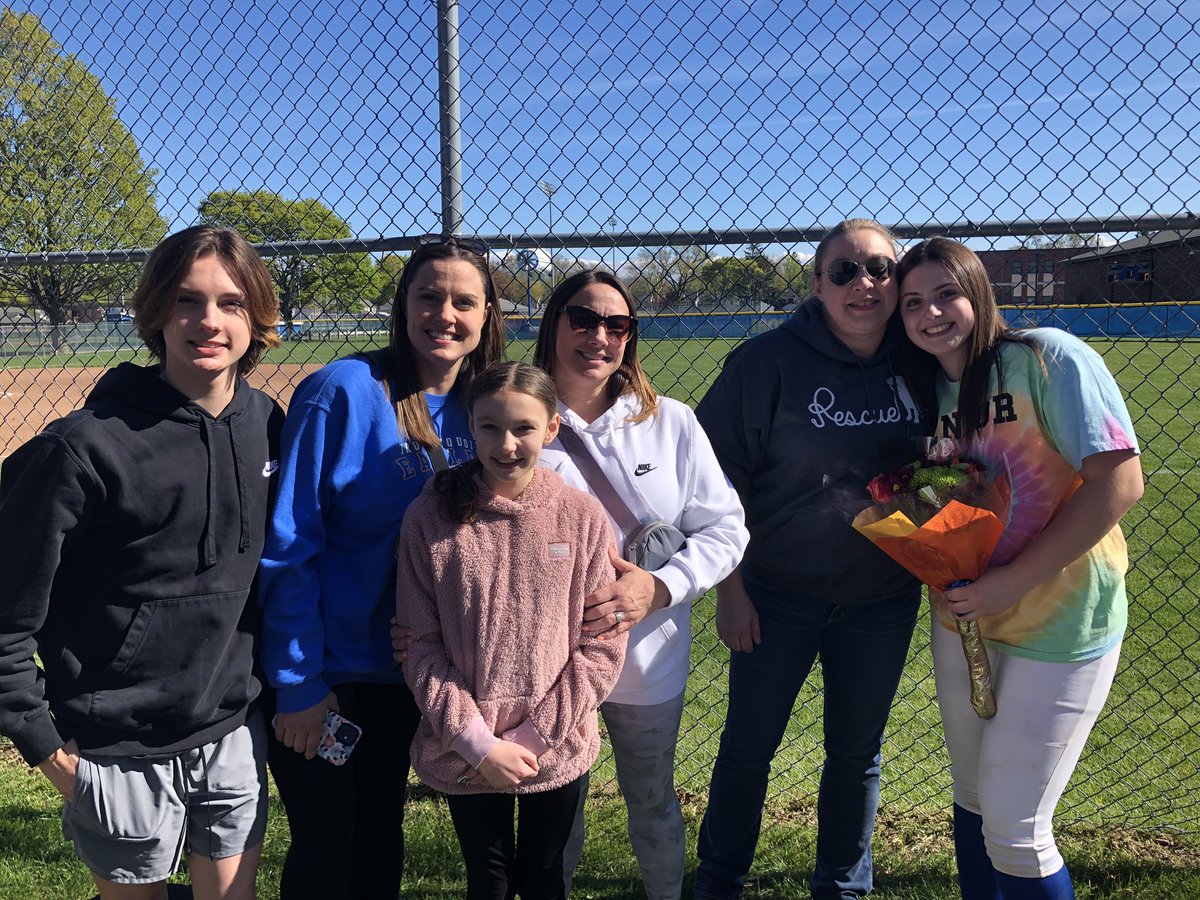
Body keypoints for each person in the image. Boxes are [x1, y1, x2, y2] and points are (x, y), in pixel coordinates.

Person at [0, 226, 284, 900]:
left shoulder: (270, 425)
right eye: (188, 300)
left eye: (231, 302)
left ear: (258, 316)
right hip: (113, 748)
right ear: (155, 311)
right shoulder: (81, 450)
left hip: (231, 730)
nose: (208, 321)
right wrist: (52, 753)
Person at [693, 219, 935, 900]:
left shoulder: (918, 357)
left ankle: (843, 885)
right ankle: (720, 877)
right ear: (817, 284)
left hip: (881, 599)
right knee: (749, 747)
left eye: (882, 270)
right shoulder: (765, 363)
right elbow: (714, 487)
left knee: (856, 755)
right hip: (777, 593)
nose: (866, 285)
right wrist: (731, 592)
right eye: (845, 272)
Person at [259, 235, 505, 899]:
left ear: (487, 316)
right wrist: (298, 682)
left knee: (377, 837)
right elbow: (289, 544)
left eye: (463, 301)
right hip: (332, 675)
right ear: (402, 306)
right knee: (326, 846)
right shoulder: (342, 392)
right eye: (428, 296)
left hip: (416, 674)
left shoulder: (488, 410)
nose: (444, 314)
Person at [896, 236, 1143, 899]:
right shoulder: (926, 386)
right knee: (974, 800)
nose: (931, 314)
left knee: (1015, 826)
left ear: (978, 289)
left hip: (1059, 626)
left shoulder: (1046, 357)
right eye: (913, 302)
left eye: (946, 293)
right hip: (963, 622)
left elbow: (1119, 484)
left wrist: (1007, 581)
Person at [533, 270, 749, 900]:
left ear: (631, 338)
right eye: (582, 319)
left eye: (617, 324)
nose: (599, 336)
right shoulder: (519, 419)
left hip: (646, 661)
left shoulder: (671, 422)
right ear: (552, 325)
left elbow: (726, 530)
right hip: (548, 667)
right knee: (555, 812)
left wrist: (660, 587)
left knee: (652, 799)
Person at [398, 361, 627, 900]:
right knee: (491, 881)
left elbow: (600, 645)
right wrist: (479, 744)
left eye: (523, 428)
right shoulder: (430, 517)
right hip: (465, 744)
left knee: (545, 878)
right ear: (469, 426)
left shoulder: (581, 516)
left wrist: (533, 737)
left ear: (550, 429)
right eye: (490, 427)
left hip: (557, 739)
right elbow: (420, 645)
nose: (506, 444)